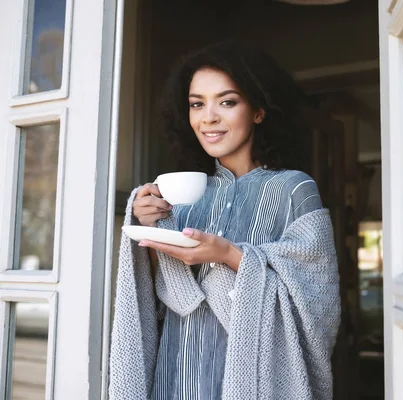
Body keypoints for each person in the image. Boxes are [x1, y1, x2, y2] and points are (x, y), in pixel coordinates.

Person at [109, 40, 341, 400]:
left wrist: (230, 256)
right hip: (175, 377)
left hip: (254, 385)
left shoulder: (295, 189)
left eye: (227, 102)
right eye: (197, 104)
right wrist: (149, 226)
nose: (208, 117)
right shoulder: (180, 195)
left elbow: (318, 306)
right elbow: (161, 296)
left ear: (259, 110)